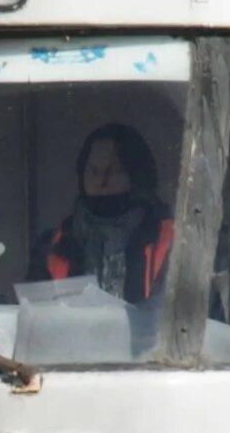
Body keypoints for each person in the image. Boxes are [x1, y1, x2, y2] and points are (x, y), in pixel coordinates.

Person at [34, 123, 174, 301]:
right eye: (93, 171)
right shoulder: (55, 243)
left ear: (136, 175)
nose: (101, 182)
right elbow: (36, 312)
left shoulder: (169, 238)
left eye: (113, 171)